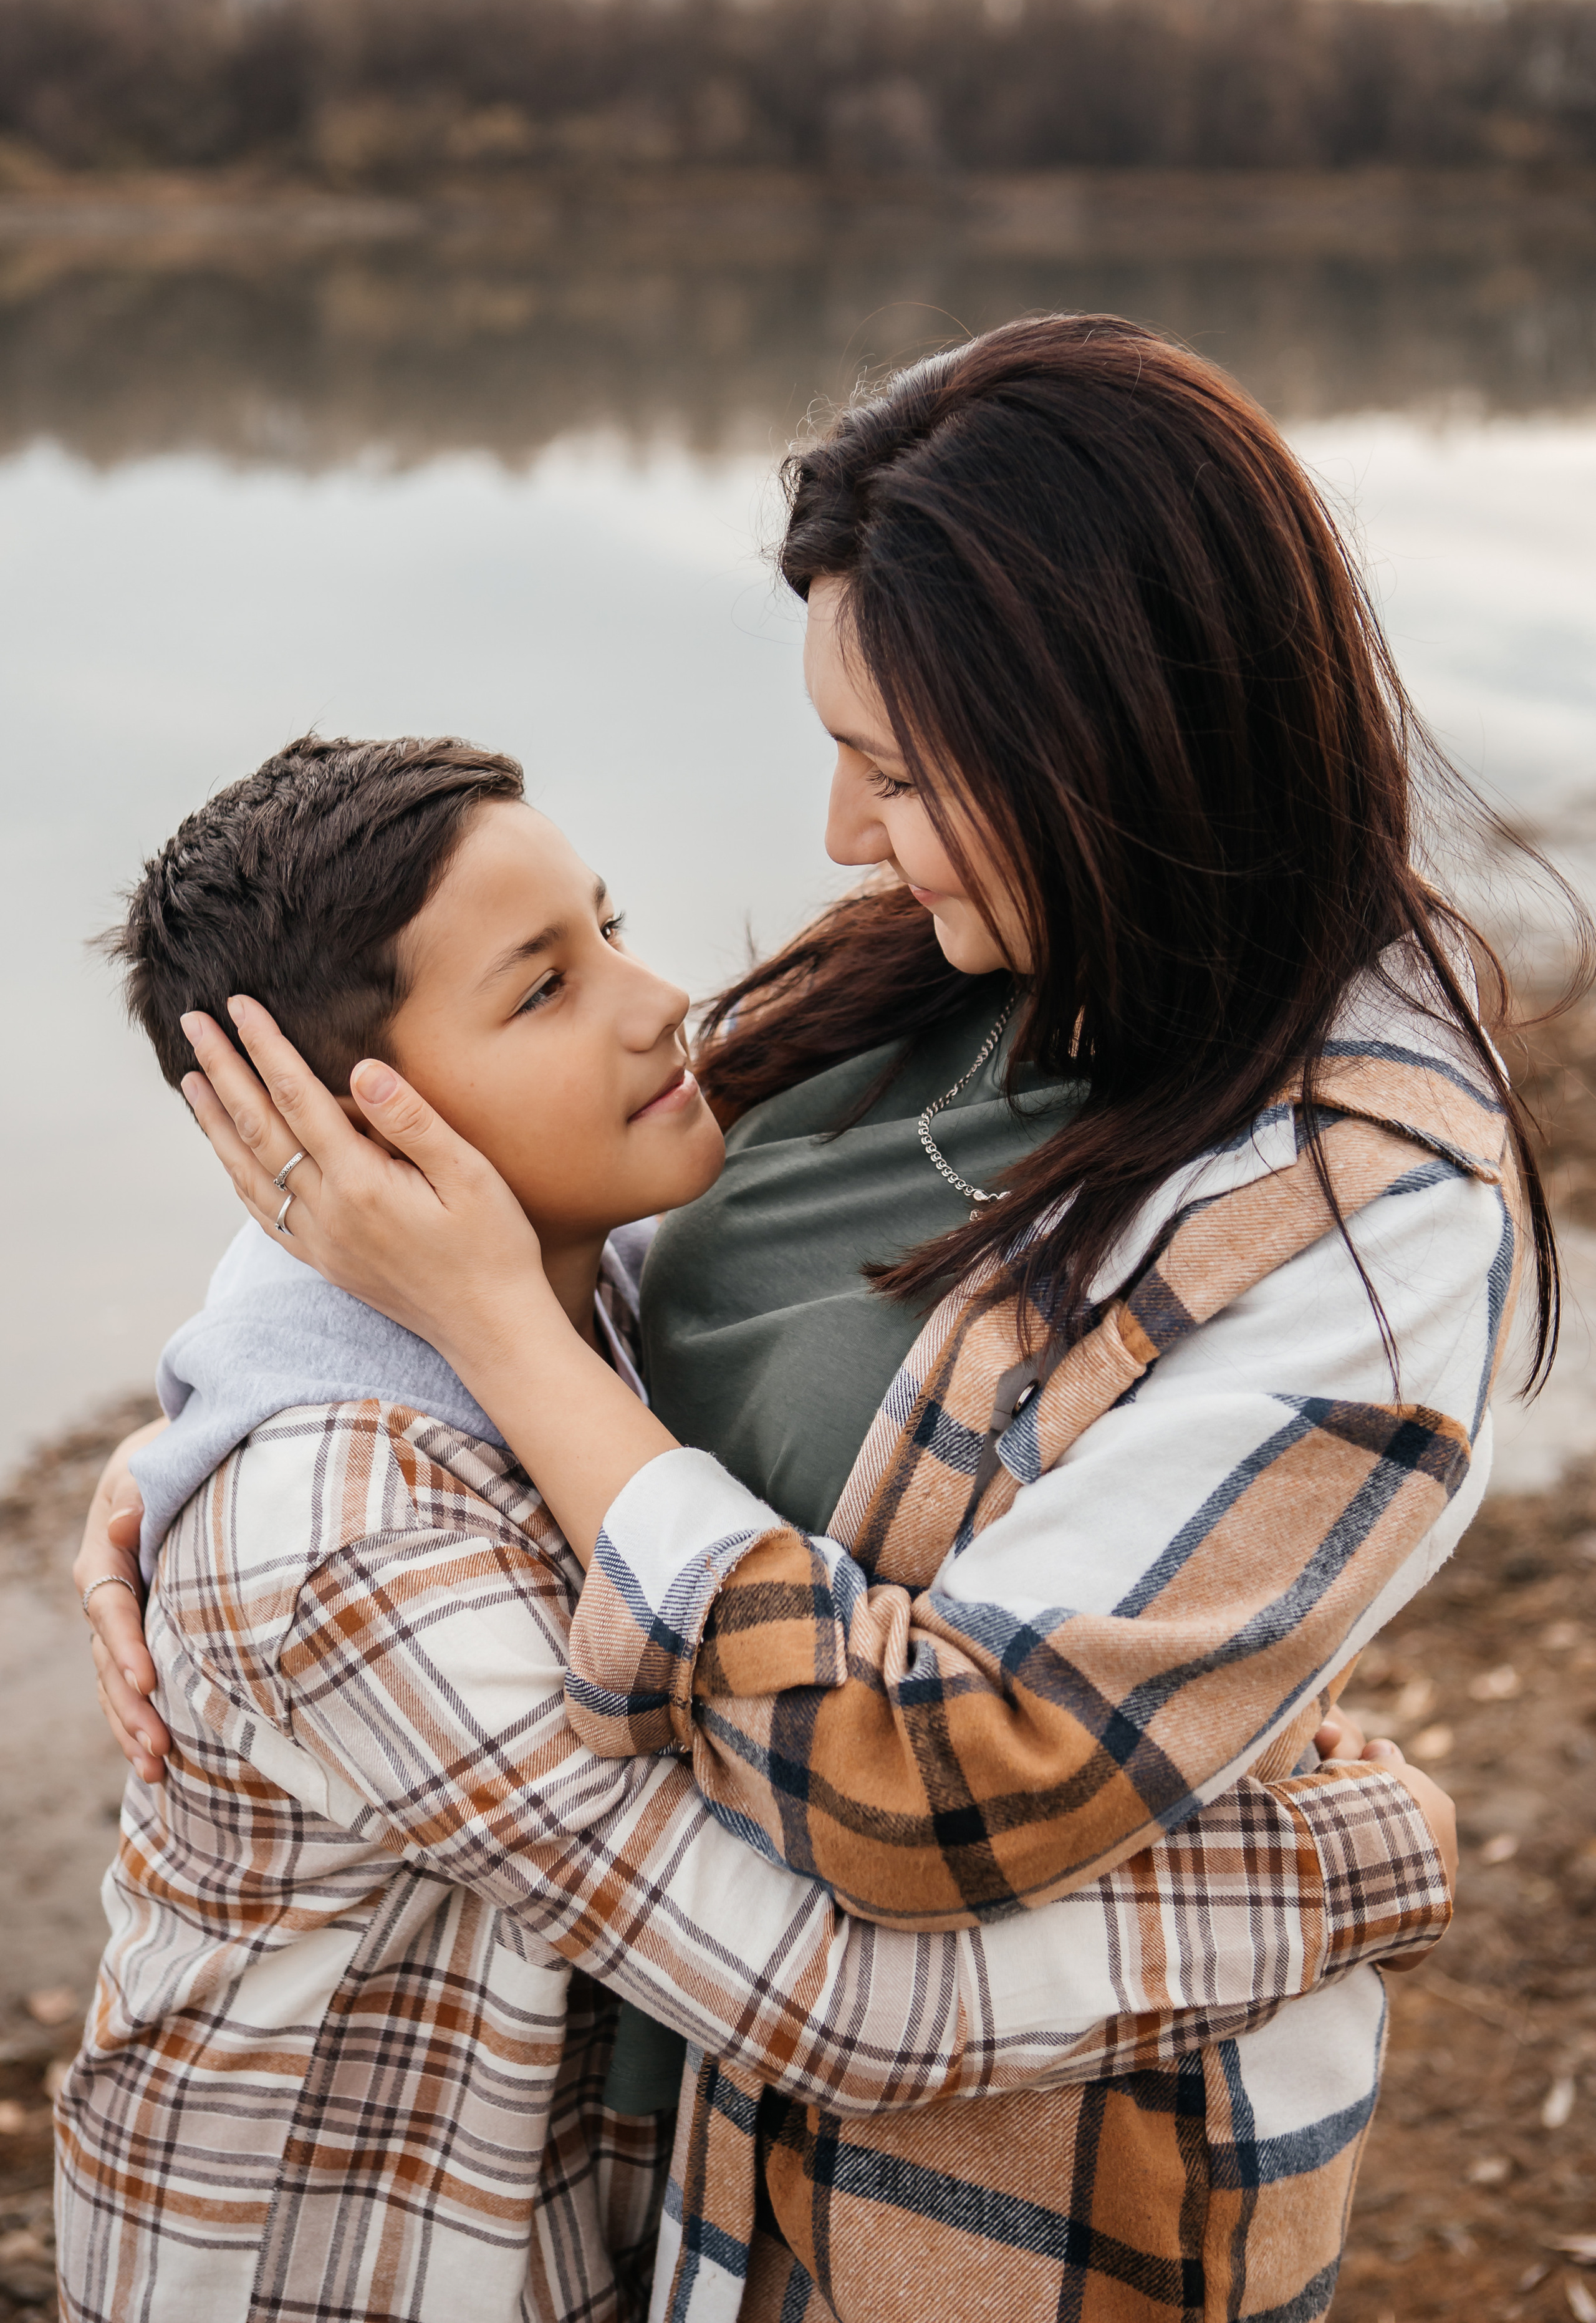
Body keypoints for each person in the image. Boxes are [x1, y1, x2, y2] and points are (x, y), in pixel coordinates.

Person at [74, 312, 1516, 2320]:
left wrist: (466, 1349)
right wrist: (237, 1400)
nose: (844, 836)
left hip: (1011, 2206)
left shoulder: (1362, 1213)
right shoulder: (932, 970)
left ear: (1117, 740)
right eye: (843, 754)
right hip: (674, 2158)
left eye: (901, 773)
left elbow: (943, 1778)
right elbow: (501, 1199)